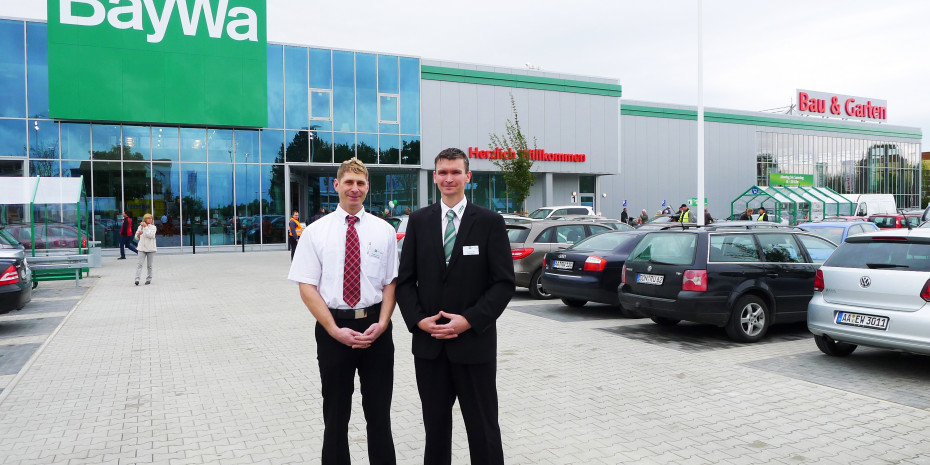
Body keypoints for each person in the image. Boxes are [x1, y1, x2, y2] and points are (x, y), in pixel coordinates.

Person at [396, 147, 515, 465]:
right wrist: (419, 321)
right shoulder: (419, 221)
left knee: (484, 429)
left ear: (468, 177)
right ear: (434, 177)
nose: (449, 178)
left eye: (455, 172)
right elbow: (405, 281)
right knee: (435, 431)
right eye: (443, 172)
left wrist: (470, 320)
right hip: (429, 347)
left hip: (473, 345)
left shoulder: (489, 222)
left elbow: (503, 283)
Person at [288, 158, 399, 465]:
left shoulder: (384, 231)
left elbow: (390, 283)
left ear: (367, 187)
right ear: (336, 185)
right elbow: (307, 287)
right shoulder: (314, 232)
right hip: (333, 330)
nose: (354, 188)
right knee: (335, 416)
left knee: (379, 415)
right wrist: (333, 329)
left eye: (360, 183)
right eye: (348, 182)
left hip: (376, 330)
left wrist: (383, 322)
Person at [134, 213, 157, 285]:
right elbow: (136, 237)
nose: (150, 219)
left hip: (151, 248)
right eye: (148, 218)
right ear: (145, 219)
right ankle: (137, 279)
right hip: (141, 248)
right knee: (139, 264)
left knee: (149, 265)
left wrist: (146, 227)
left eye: (151, 218)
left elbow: (151, 235)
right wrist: (139, 234)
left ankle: (149, 279)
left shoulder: (153, 227)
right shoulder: (140, 227)